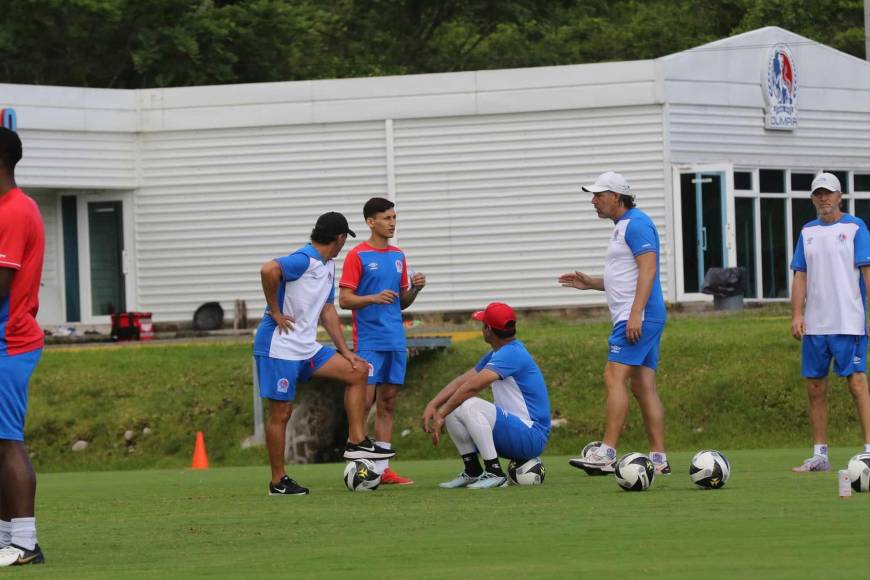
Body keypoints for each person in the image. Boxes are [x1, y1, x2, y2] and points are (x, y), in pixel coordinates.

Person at [253, 211, 395, 496]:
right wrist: (276, 310)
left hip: (307, 348)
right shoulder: (304, 259)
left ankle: (356, 442)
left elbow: (327, 310)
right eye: (345, 238)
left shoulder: (328, 265)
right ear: (340, 238)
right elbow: (269, 270)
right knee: (281, 413)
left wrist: (346, 352)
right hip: (279, 347)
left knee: (358, 370)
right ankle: (278, 481)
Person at [559, 171, 669, 475]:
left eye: (599, 195)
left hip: (638, 316)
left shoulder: (636, 224)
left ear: (617, 197)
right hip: (641, 313)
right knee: (643, 385)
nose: (593, 201)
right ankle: (659, 459)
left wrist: (635, 313)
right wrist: (592, 283)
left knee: (613, 376)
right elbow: (626, 277)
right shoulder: (623, 227)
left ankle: (606, 452)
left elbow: (648, 270)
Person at [339, 197, 425, 485]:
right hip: (369, 342)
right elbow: (344, 299)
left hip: (395, 341)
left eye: (394, 218)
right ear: (370, 222)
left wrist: (415, 289)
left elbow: (400, 303)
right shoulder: (357, 256)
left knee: (387, 403)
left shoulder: (399, 256)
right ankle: (357, 463)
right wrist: (372, 298)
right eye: (387, 218)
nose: (392, 223)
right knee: (363, 402)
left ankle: (383, 469)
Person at [421, 302, 550, 489]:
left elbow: (471, 388)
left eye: (483, 324)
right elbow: (462, 382)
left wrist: (440, 414)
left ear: (488, 329)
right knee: (456, 404)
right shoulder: (498, 353)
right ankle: (473, 471)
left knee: (469, 403)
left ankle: (495, 473)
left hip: (531, 437)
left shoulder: (511, 353)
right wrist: (433, 405)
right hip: (514, 432)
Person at [790, 172, 870, 472]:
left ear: (839, 197)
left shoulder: (855, 228)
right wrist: (797, 314)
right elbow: (800, 275)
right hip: (816, 325)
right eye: (818, 194)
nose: (824, 198)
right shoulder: (807, 232)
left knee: (857, 384)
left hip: (850, 322)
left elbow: (867, 273)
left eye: (829, 193)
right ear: (812, 198)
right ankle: (820, 454)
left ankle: (868, 451)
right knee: (814, 387)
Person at [0, 127, 46, 566]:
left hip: (8, 342)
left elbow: (1, 283)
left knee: (7, 441)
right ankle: (5, 541)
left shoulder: (14, 211)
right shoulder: (9, 207)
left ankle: (26, 544)